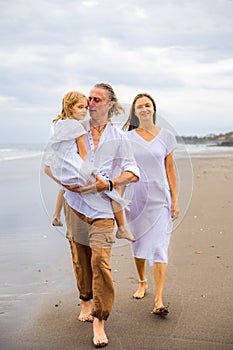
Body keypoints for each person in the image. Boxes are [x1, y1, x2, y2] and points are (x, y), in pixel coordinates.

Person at [45, 83, 140, 348]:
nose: (91, 103)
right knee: (80, 259)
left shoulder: (119, 137)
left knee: (100, 260)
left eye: (97, 99)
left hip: (103, 209)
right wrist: (64, 184)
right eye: (88, 99)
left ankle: (99, 319)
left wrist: (107, 184)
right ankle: (85, 301)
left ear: (110, 104)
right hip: (75, 203)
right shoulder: (73, 127)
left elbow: (132, 171)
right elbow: (52, 160)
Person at [47, 91, 136, 242]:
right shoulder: (77, 127)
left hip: (61, 167)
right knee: (109, 188)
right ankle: (122, 228)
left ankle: (56, 215)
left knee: (67, 188)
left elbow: (53, 153)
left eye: (86, 107)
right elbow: (83, 153)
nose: (85, 110)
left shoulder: (56, 124)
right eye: (81, 107)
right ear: (69, 107)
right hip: (75, 166)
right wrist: (93, 172)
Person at [122, 93, 179, 317]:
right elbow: (121, 168)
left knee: (159, 247)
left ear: (153, 108)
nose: (144, 109)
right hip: (135, 199)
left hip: (159, 200)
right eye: (139, 107)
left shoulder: (166, 137)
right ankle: (142, 282)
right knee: (138, 244)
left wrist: (175, 200)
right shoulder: (127, 137)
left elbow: (171, 170)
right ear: (134, 113)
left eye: (147, 105)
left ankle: (159, 299)